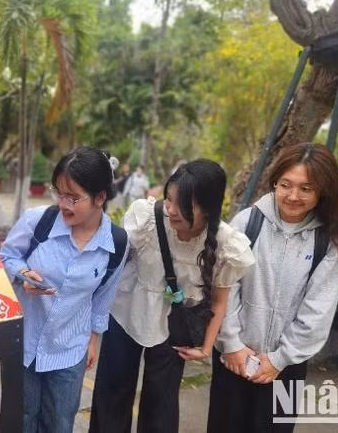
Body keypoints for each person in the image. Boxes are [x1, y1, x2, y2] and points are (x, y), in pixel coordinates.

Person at [90, 159, 255, 433]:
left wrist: (205, 347)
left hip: (174, 325)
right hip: (126, 312)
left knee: (161, 401)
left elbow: (219, 301)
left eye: (184, 205)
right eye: (169, 200)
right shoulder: (147, 217)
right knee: (112, 391)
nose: (172, 211)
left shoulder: (227, 244)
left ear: (209, 208)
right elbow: (113, 262)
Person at [209, 143, 338, 433]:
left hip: (285, 367)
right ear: (274, 182)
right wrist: (232, 345)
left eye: (306, 189)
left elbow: (317, 312)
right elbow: (224, 286)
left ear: (323, 192)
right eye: (286, 185)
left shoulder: (327, 242)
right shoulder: (247, 223)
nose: (293, 196)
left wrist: (278, 360)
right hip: (233, 358)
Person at [0, 146, 130, 433]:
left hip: (70, 348)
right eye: (59, 193)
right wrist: (22, 275)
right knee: (21, 420)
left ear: (100, 197)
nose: (63, 203)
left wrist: (94, 339)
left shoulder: (116, 243)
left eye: (73, 197)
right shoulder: (38, 221)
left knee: (59, 423)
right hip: (25, 342)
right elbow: (6, 255)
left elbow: (104, 295)